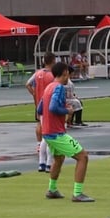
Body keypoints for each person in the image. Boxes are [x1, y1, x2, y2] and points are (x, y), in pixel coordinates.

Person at [39, 62, 94, 202]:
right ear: (64, 73)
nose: (69, 76)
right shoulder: (59, 88)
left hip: (48, 131)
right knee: (83, 157)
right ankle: (77, 193)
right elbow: (52, 108)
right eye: (68, 73)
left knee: (59, 158)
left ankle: (52, 189)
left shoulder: (48, 87)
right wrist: (67, 110)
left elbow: (40, 109)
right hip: (56, 133)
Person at [27, 52, 56, 172]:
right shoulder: (52, 75)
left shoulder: (38, 73)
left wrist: (34, 93)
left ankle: (40, 149)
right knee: (50, 134)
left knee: (40, 124)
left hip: (39, 103)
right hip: (49, 104)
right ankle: (48, 163)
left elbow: (27, 84)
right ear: (53, 61)